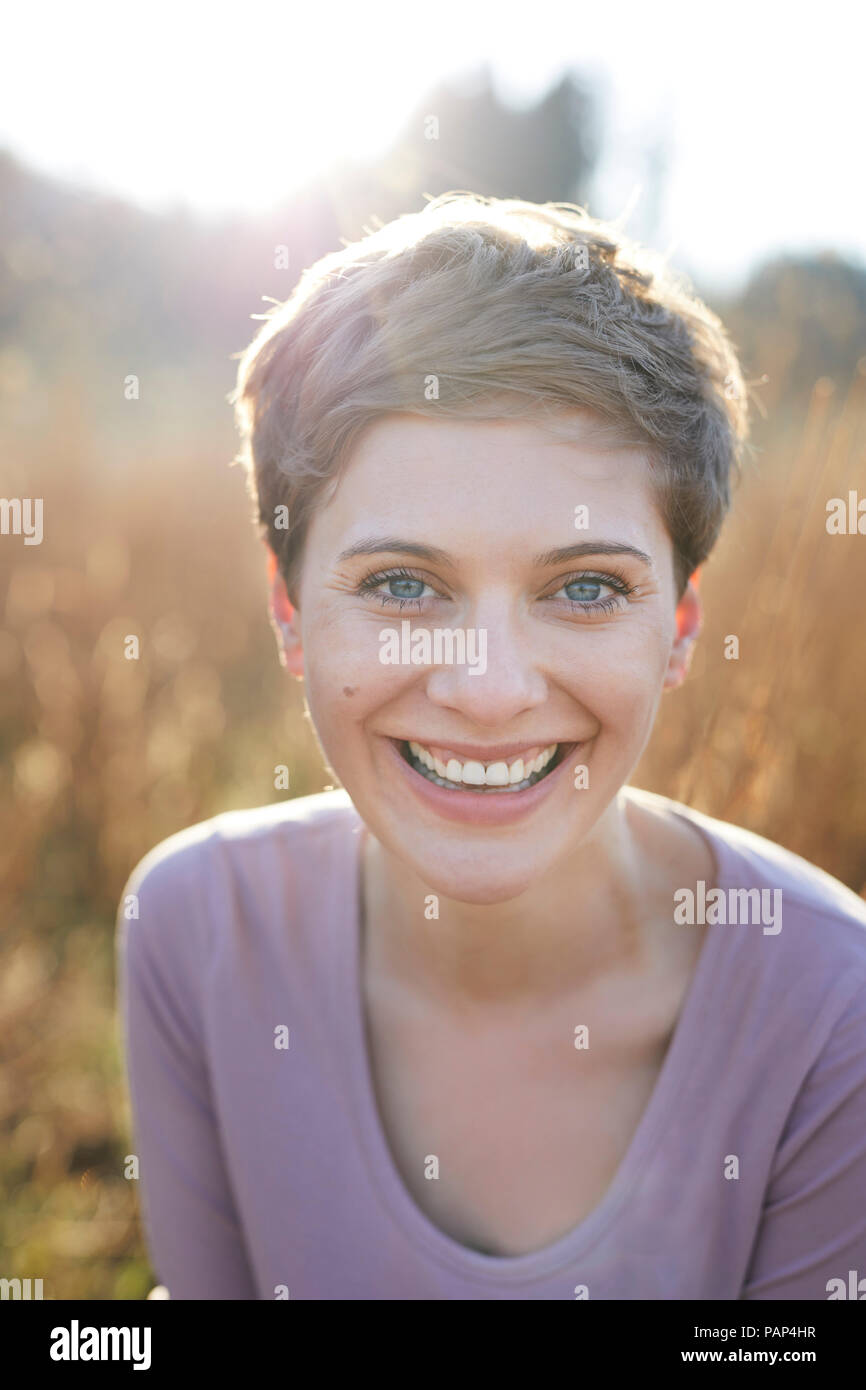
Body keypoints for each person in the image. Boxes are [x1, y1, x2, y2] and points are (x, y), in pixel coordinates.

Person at [117, 193, 866, 1300]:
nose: (488, 689)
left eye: (583, 588)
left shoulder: (829, 1015)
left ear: (678, 624)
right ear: (287, 612)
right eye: (403, 584)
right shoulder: (193, 932)